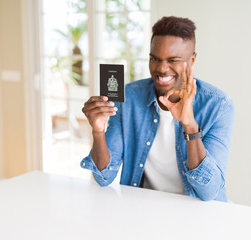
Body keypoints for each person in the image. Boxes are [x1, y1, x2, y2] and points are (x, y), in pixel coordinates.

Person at [81, 16, 234, 201]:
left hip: (197, 214)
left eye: (173, 60)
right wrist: (98, 131)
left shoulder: (218, 105)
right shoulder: (128, 98)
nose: (161, 68)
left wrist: (189, 124)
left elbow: (209, 192)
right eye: (155, 58)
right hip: (145, 209)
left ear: (192, 59)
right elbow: (103, 177)